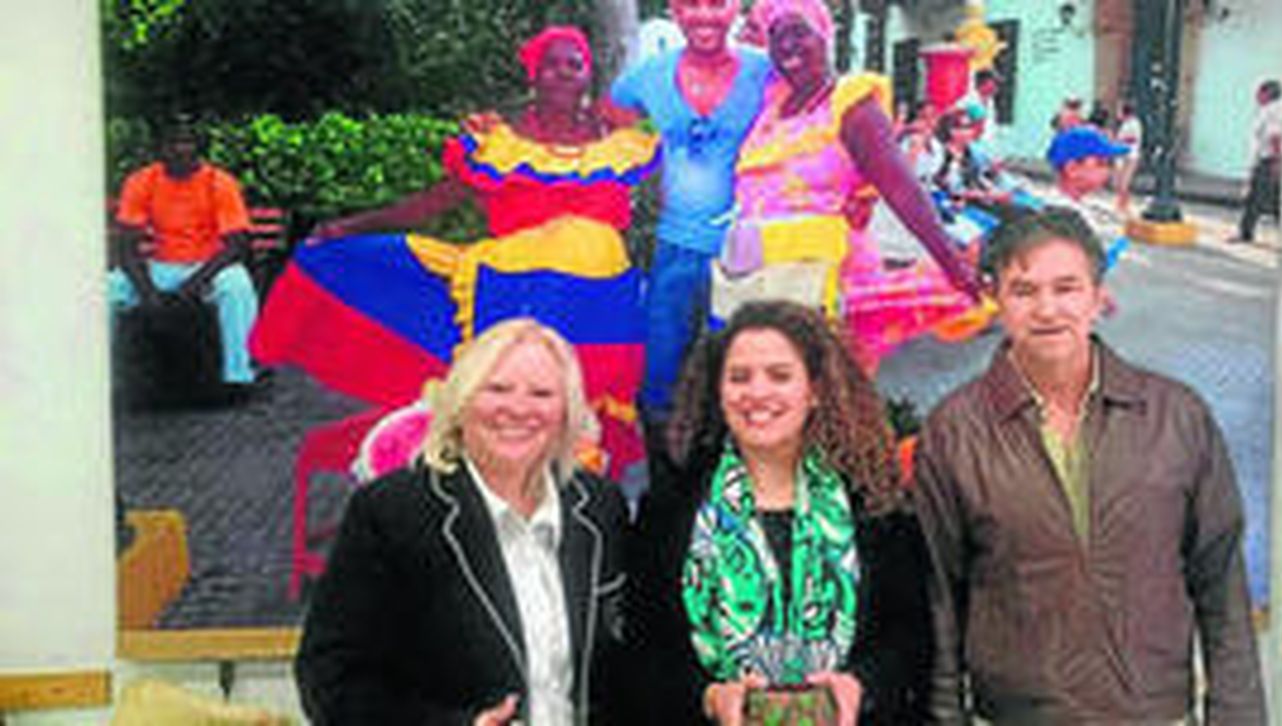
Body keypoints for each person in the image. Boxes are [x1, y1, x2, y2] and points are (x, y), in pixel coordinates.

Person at [252, 27, 657, 478]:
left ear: (588, 76)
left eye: (574, 65)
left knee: (588, 413)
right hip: (516, 295)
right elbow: (430, 204)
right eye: (551, 65)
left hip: (599, 304)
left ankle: (583, 508)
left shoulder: (621, 141)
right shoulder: (497, 143)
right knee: (520, 397)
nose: (563, 74)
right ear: (533, 76)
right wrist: (345, 227)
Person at [912, 208, 1266, 724]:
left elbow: (1221, 582)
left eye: (1067, 288)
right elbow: (939, 599)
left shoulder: (1176, 416)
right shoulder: (955, 431)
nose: (1047, 309)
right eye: (1023, 291)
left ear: (1099, 298)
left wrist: (1237, 716)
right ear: (997, 301)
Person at [295, 318, 630, 725]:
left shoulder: (601, 507)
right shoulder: (391, 513)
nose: (517, 409)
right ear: (461, 402)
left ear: (567, 413)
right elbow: (330, 679)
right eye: (497, 389)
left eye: (541, 394)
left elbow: (632, 665)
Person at [631, 300, 933, 724]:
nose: (757, 393)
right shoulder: (670, 507)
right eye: (739, 377)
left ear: (815, 391)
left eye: (779, 375)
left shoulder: (873, 504)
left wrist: (862, 687)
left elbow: (911, 636)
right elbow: (642, 653)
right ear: (719, 392)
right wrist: (708, 697)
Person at [713, 0, 982, 374]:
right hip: (756, 278)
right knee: (770, 385)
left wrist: (951, 264)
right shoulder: (771, 105)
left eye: (799, 32)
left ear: (825, 34)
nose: (787, 45)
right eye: (777, 36)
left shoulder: (852, 103)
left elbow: (902, 189)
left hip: (821, 279)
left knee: (820, 384)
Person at [607, 0, 773, 431]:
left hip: (748, 252)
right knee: (660, 373)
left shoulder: (766, 71)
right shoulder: (645, 77)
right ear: (673, 10)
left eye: (717, 4)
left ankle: (738, 457)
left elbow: (819, 114)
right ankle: (665, 465)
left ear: (736, 7)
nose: (704, 16)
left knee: (747, 369)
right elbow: (608, 123)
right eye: (690, 4)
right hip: (674, 249)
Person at [108, 119, 262, 390]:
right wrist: (147, 292)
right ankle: (98, 376)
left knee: (237, 286)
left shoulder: (220, 182)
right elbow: (125, 246)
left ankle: (239, 376)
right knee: (108, 289)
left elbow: (236, 245)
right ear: (160, 148)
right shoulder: (141, 181)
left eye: (188, 142)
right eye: (173, 142)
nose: (181, 149)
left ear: (199, 147)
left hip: (208, 267)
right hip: (160, 266)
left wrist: (194, 284)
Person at [1235, 79, 1282, 244]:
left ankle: (1245, 233)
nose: (1256, 96)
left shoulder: (1272, 111)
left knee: (1256, 198)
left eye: (1259, 93)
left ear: (1266, 94)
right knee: (1271, 200)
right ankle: (1246, 233)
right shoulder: (1270, 110)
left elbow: (1275, 136)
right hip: (1266, 160)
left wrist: (1277, 161)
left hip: (1268, 161)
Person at [1112, 99, 1144, 216]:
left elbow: (1133, 138)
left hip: (1129, 156)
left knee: (1124, 182)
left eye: (1119, 110)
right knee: (1119, 182)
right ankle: (1120, 204)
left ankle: (1123, 206)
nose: (1117, 113)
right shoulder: (1125, 124)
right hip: (1121, 155)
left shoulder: (1134, 123)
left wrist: (1118, 140)